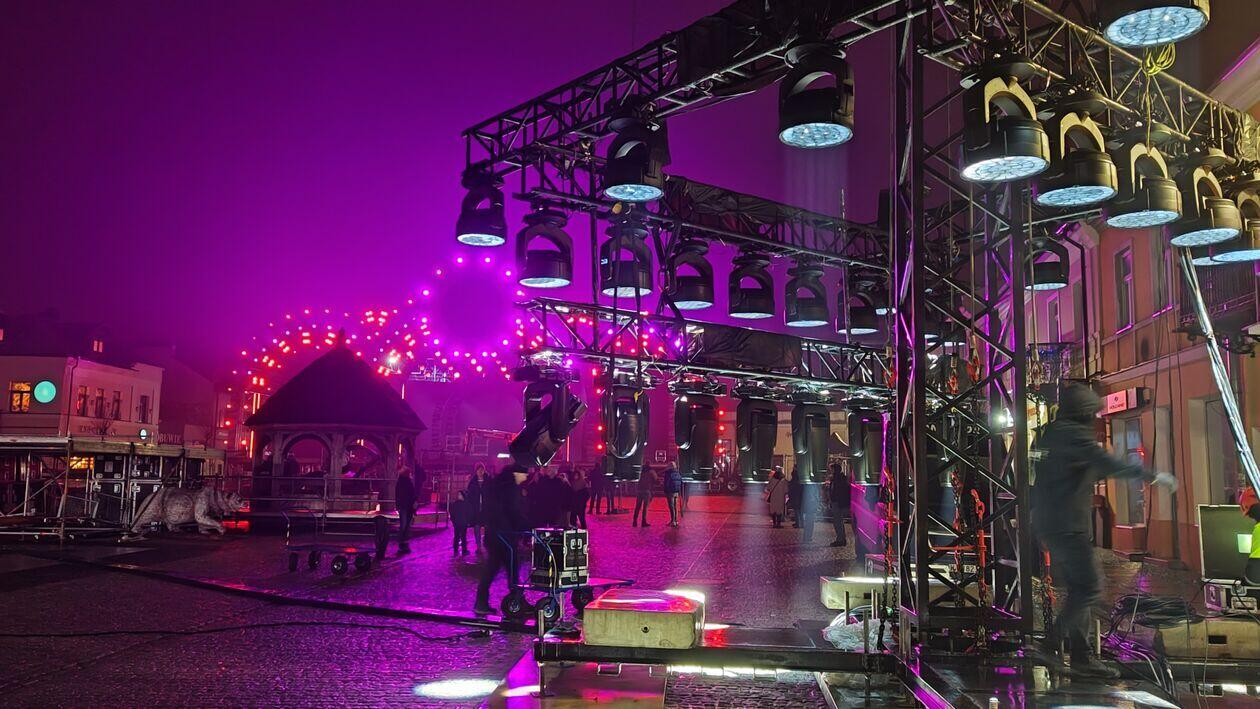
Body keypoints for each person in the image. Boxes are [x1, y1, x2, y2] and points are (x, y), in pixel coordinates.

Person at [1031, 383, 1175, 678]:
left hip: (1054, 522)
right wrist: (1152, 476)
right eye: (1094, 413)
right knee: (1089, 587)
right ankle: (1050, 644)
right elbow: (1107, 464)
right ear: (1084, 412)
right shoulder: (1075, 435)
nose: (1096, 419)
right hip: (1068, 524)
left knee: (1078, 590)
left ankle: (1081, 655)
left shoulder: (1052, 434)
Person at [474, 465, 530, 615]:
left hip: (496, 535)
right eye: (524, 474)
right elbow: (513, 511)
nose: (526, 477)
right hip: (504, 536)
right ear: (517, 473)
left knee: (496, 569)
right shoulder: (510, 488)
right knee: (511, 568)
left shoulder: (499, 484)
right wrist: (527, 526)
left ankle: (482, 602)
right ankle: (517, 602)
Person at [829, 464, 852, 547]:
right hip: (836, 502)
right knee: (837, 522)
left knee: (838, 522)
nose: (830, 471)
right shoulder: (837, 478)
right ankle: (841, 539)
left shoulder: (838, 479)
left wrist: (835, 500)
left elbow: (838, 492)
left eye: (832, 469)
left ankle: (840, 539)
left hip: (837, 503)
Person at [465, 463, 488, 550]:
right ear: (476, 471)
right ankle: (478, 545)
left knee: (487, 526)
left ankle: (486, 542)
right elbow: (469, 495)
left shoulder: (488, 481)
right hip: (476, 508)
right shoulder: (473, 482)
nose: (480, 471)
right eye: (479, 470)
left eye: (482, 469)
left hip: (486, 508)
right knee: (477, 526)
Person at [394, 469, 416, 555]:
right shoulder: (408, 483)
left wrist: (398, 505)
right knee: (405, 525)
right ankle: (404, 543)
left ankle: (402, 544)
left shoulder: (401, 482)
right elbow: (412, 494)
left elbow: (398, 495)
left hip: (404, 506)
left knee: (404, 525)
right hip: (407, 506)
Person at [449, 491, 473, 555]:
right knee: (457, 537)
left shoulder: (466, 504)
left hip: (462, 523)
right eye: (458, 494)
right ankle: (457, 551)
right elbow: (452, 514)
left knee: (462, 537)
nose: (458, 496)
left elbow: (469, 513)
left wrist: (468, 521)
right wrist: (454, 521)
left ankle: (462, 551)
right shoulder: (456, 504)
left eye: (460, 494)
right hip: (458, 523)